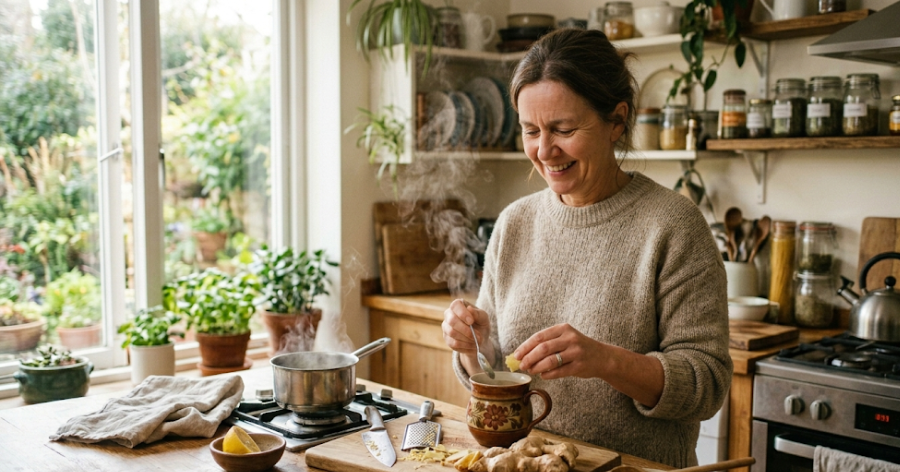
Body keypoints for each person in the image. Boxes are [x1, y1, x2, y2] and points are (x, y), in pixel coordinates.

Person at [441, 28, 732, 468]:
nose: (544, 150)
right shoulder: (514, 224)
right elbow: (496, 375)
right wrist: (474, 345)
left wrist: (606, 361)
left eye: (563, 128)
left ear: (617, 120)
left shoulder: (673, 226)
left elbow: (707, 385)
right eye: (530, 130)